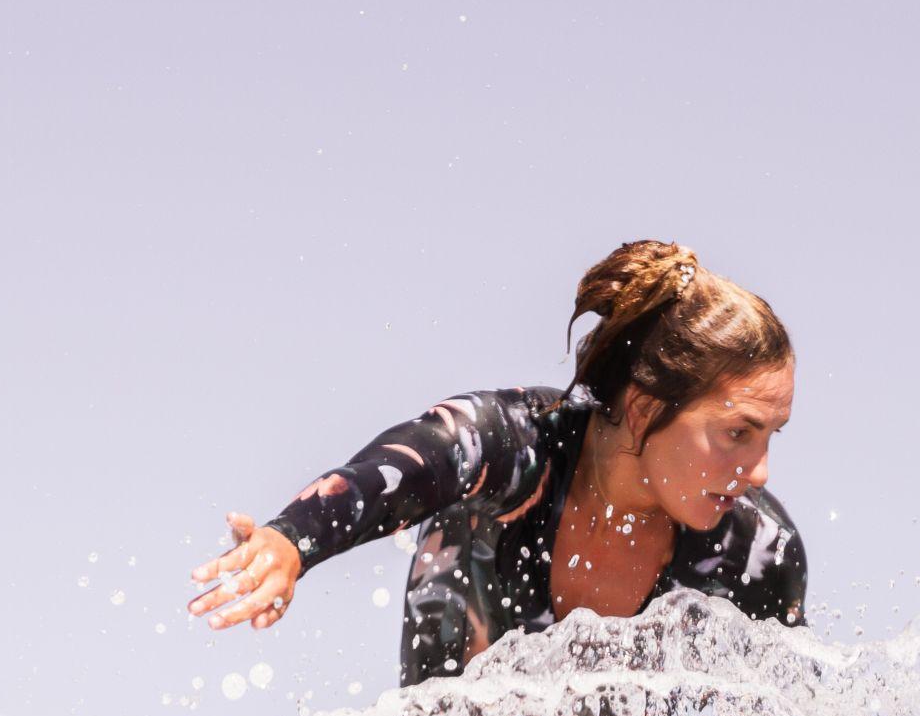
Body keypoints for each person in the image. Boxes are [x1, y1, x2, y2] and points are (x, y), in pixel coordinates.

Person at [187, 240, 807, 686]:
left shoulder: (758, 554)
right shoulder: (518, 444)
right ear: (645, 411)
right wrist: (292, 542)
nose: (759, 472)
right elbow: (403, 466)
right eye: (738, 433)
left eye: (770, 436)